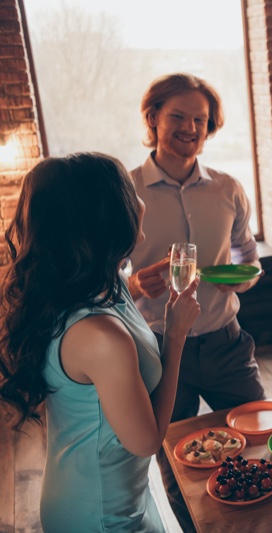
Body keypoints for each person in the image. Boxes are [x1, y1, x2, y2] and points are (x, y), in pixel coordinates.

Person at [0, 153, 201, 532]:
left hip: (115, 491)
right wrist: (175, 336)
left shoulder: (97, 284)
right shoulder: (99, 337)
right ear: (106, 215)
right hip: (99, 512)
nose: (139, 199)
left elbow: (118, 293)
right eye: (128, 189)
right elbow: (147, 441)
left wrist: (137, 285)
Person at [127, 73, 266, 530]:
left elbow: (248, 255)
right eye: (178, 117)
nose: (190, 127)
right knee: (177, 460)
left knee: (260, 438)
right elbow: (106, 281)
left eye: (200, 119)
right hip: (161, 350)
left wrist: (243, 278)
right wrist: (134, 286)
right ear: (153, 119)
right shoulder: (126, 191)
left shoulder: (228, 188)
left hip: (227, 344)